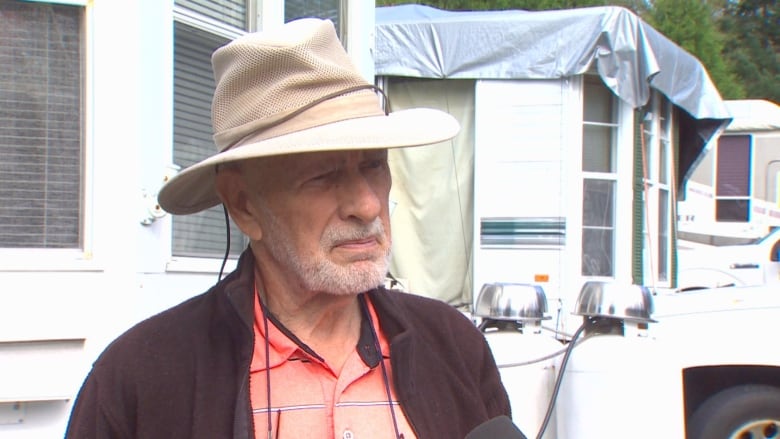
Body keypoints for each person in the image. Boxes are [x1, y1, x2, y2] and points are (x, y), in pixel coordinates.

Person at [65, 18, 510, 439]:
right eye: (323, 175)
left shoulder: (453, 348)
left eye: (374, 165)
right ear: (244, 206)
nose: (368, 204)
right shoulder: (142, 380)